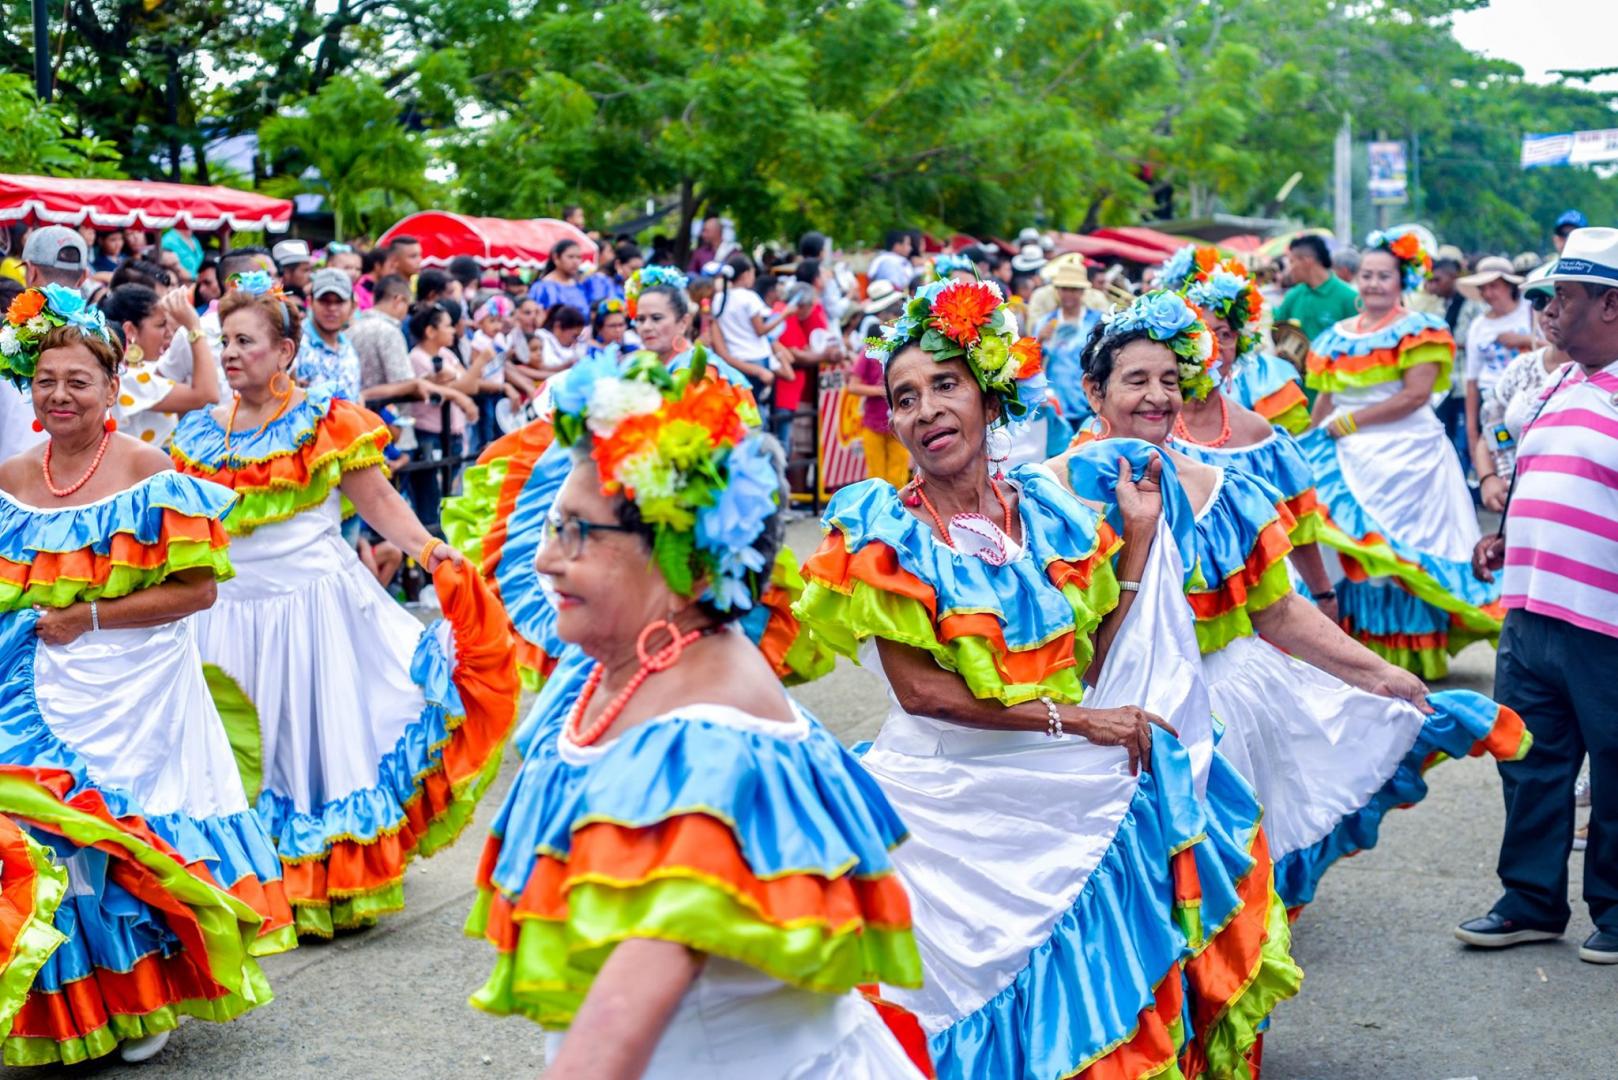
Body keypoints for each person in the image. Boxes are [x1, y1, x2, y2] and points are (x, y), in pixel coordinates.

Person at [794, 278, 1295, 1077]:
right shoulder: (886, 531)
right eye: (906, 397)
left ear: (990, 397)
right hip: (945, 790)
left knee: (1177, 794)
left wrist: (1133, 541)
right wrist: (1081, 725)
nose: (926, 411)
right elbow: (923, 693)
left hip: (1036, 770)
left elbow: (1080, 664)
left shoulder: (1048, 511)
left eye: (945, 386)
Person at [464, 352, 922, 1075]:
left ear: (685, 559)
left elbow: (615, 1027)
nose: (546, 559)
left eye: (579, 533)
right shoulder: (632, 674)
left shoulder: (708, 742)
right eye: (553, 526)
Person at [1060, 290, 1530, 914]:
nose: (1157, 395)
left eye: (1170, 379)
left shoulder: (1219, 491)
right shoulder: (1051, 496)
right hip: (1109, 713)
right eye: (1136, 379)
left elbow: (1276, 609)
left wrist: (1376, 672)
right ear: (1095, 394)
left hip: (1223, 706)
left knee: (1211, 897)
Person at [168, 273, 516, 938]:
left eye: (245, 341)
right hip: (225, 613)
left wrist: (428, 551)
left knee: (308, 742)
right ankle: (250, 879)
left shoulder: (325, 421)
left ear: (285, 351)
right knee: (242, 747)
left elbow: (381, 504)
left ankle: (323, 879)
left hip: (312, 609)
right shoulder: (198, 433)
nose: (232, 353)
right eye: (225, 340)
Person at [0, 286, 292, 1064]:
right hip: (36, 683)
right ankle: (88, 996)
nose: (60, 396)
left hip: (138, 688)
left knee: (134, 838)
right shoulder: (11, 478)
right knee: (53, 840)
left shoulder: (148, 467)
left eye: (79, 381)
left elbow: (197, 590)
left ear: (112, 387)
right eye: (47, 381)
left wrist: (86, 619)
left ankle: (152, 988)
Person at [1462, 226, 1618, 965]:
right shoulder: (1559, 380)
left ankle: (1615, 911)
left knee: (1615, 764)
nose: (1551, 312)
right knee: (1528, 757)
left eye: (1567, 298)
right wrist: (1506, 531)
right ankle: (1530, 900)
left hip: (1605, 621)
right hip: (1530, 610)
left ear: (1611, 305)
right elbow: (1534, 468)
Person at [1301, 228, 1502, 677]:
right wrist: (1310, 438)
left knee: (1403, 553)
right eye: (1367, 275)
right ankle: (1354, 649)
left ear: (1402, 281)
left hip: (1408, 455)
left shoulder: (1420, 329)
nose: (1373, 284)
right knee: (1348, 550)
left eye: (1383, 276)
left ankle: (1409, 652)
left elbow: (1415, 395)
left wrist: (1349, 424)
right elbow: (1327, 396)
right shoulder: (1337, 336)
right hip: (1343, 451)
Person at [1153, 251, 1337, 604]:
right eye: (1201, 333)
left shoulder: (1260, 437)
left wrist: (1324, 595)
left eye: (1225, 334)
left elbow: (1297, 528)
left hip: (1253, 605)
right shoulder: (1140, 423)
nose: (1213, 348)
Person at [1474, 268, 1570, 512]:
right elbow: (1491, 430)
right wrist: (1488, 479)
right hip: (1517, 510)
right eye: (1540, 301)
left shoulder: (1603, 371)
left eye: (1564, 299)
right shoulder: (1522, 367)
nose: (1549, 311)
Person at [101, 283, 220, 447]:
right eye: (161, 325)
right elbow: (207, 395)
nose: (169, 332)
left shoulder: (141, 370)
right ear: (130, 330)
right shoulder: (126, 377)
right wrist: (193, 327)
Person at [402, 302, 479, 520]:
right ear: (430, 331)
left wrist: (451, 386)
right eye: (447, 325)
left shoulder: (446, 354)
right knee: (432, 503)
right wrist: (480, 361)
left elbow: (470, 385)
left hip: (452, 435)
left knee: (449, 497)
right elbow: (462, 385)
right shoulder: (417, 358)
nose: (453, 330)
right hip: (430, 436)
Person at [1459, 256, 1535, 472]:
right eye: (1483, 288)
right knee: (1504, 462)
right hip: (1493, 405)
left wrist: (1521, 340)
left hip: (1528, 398)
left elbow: (1553, 348)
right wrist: (1473, 436)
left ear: (1509, 286)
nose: (1488, 293)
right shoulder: (1478, 326)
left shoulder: (1531, 311)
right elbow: (1471, 381)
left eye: (1494, 286)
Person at [845, 286, 909, 486]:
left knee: (898, 476)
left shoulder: (907, 347)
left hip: (901, 422)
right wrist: (883, 391)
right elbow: (853, 386)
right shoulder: (870, 350)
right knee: (876, 478)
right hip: (874, 422)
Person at [1426, 254, 1485, 467]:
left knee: (1465, 435)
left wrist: (1442, 341)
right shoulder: (1444, 305)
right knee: (1445, 433)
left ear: (1453, 277)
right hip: (1449, 383)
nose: (1433, 286)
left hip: (1466, 381)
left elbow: (1476, 339)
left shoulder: (1471, 305)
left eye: (1437, 280)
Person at [713, 253, 790, 403]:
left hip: (735, 361)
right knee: (757, 408)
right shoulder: (750, 298)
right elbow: (760, 330)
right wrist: (784, 314)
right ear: (746, 274)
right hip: (756, 360)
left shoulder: (718, 298)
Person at [1035, 260, 1101, 423]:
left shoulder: (1097, 321)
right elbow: (1033, 365)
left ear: (1082, 291)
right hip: (1055, 405)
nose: (1068, 294)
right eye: (1064, 289)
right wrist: (1039, 341)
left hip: (1089, 404)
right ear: (1057, 291)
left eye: (1074, 290)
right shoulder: (1046, 322)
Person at [295, 268, 362, 403]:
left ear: (353, 306)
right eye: (324, 301)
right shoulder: (295, 345)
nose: (332, 308)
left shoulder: (348, 348)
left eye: (339, 302)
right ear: (310, 302)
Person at [1276, 233, 1360, 341]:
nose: (1289, 269)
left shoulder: (1350, 298)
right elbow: (1277, 331)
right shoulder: (1292, 296)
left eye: (1292, 262)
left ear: (1307, 261)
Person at [526, 239, 589, 319]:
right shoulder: (542, 287)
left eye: (578, 257)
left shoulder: (580, 287)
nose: (575, 261)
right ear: (556, 258)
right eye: (570, 257)